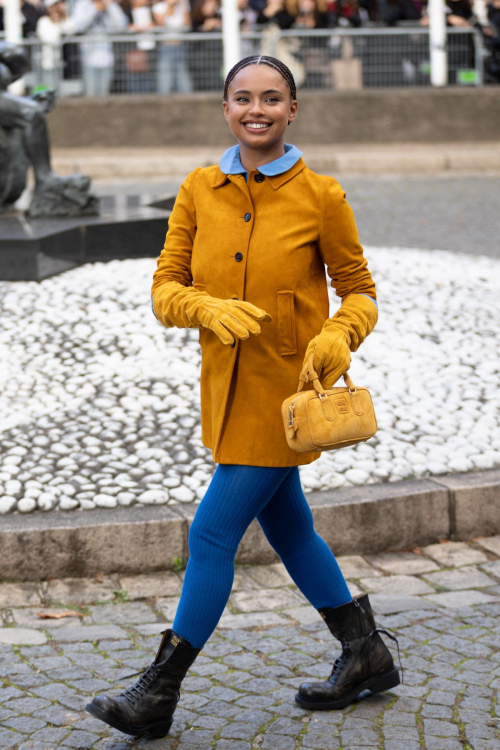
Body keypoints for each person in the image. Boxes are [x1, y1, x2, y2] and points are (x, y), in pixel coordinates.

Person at [85, 54, 402, 740]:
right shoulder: (199, 188)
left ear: (293, 109)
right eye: (242, 98)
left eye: (271, 98)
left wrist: (340, 337)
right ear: (225, 108)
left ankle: (157, 691)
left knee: (211, 532)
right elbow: (164, 287)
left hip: (287, 397)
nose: (256, 109)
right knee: (289, 528)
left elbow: (360, 291)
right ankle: (365, 652)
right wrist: (202, 308)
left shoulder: (323, 195)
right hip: (224, 391)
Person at [71, 0, 128, 96]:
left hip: (107, 58)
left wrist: (109, 6)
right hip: (88, 58)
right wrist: (94, 9)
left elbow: (122, 24)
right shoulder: (82, 4)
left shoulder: (110, 4)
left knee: (104, 95)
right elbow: (79, 26)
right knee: (90, 94)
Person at [152, 0, 192, 93]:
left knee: (184, 82)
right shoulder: (158, 7)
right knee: (165, 82)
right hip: (166, 48)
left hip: (181, 47)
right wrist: (169, 6)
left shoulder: (183, 5)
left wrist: (183, 6)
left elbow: (187, 25)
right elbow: (161, 24)